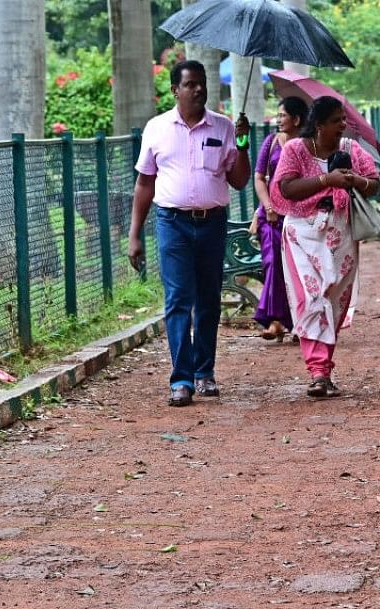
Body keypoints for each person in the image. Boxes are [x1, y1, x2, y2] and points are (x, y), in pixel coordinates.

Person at [129, 60, 251, 407]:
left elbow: (239, 180)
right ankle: (181, 379)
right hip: (172, 224)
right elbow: (145, 182)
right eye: (191, 84)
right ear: (175, 90)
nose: (198, 89)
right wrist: (134, 234)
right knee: (178, 299)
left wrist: (241, 143)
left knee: (209, 299)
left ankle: (204, 373)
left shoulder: (224, 127)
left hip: (212, 223)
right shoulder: (156, 128)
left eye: (202, 84)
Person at [270, 96, 380, 397]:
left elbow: (374, 183)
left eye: (343, 119)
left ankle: (325, 370)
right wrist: (325, 179)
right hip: (302, 235)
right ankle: (317, 371)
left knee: (333, 300)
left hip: (340, 234)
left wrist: (354, 180)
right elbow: (286, 188)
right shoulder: (295, 149)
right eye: (336, 121)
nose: (342, 125)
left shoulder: (350, 150)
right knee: (310, 298)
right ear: (318, 125)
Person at [251, 96, 308, 342]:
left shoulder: (307, 146)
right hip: (271, 216)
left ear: (296, 119)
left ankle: (300, 321)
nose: (278, 119)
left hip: (298, 216)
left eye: (283, 115)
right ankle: (275, 321)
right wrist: (268, 205)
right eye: (278, 114)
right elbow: (259, 177)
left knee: (298, 268)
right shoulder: (271, 142)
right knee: (273, 264)